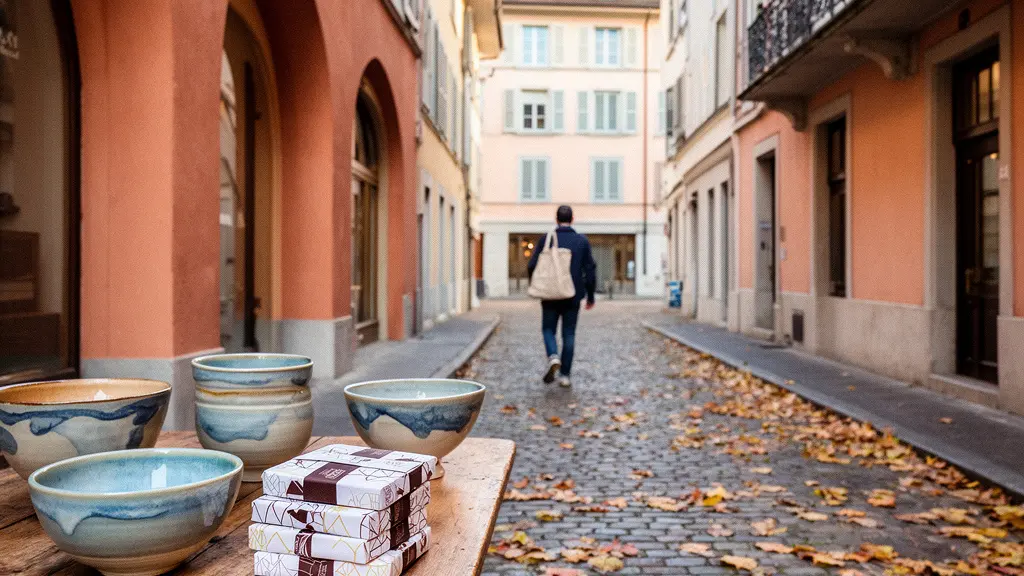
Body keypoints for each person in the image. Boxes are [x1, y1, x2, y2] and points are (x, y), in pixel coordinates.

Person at [527, 205, 596, 387]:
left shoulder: (546, 240)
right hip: (572, 295)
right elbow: (590, 270)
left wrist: (535, 283)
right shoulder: (581, 241)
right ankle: (565, 375)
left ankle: (553, 355)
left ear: (556, 219)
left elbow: (532, 265)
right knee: (569, 333)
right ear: (572, 219)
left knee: (548, 329)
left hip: (549, 294)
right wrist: (590, 296)